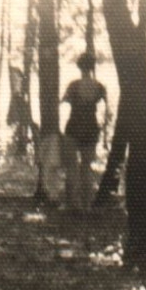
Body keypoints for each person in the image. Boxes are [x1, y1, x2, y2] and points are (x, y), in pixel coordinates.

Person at [61, 53, 107, 213]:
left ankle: (73, 204)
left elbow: (64, 102)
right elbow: (106, 111)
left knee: (72, 167)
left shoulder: (73, 85)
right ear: (92, 67)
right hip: (91, 128)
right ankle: (87, 205)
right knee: (86, 167)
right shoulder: (100, 87)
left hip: (73, 127)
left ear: (79, 67)